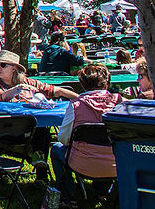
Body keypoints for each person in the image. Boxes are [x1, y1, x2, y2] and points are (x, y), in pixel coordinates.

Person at [50, 64, 123, 197]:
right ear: (106, 82)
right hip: (117, 164)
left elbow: (63, 138)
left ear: (82, 84)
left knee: (56, 149)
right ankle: (102, 191)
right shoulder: (120, 103)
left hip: (82, 164)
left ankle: (68, 195)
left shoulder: (76, 105)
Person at [0, 50, 78, 102]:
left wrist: (81, 99)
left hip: (29, 119)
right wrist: (18, 89)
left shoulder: (27, 82)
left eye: (3, 65)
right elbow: (0, 96)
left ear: (14, 68)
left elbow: (55, 90)